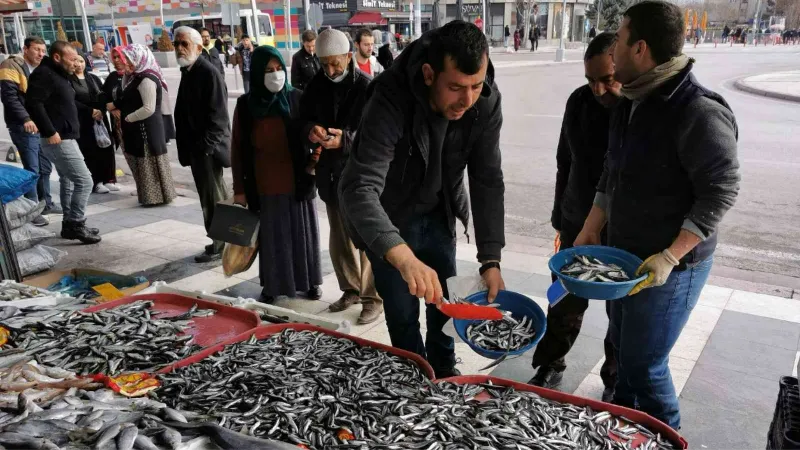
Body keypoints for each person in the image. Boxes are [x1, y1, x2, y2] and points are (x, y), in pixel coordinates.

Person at [574, 1, 740, 429]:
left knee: (646, 366)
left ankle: (670, 434)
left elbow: (721, 191)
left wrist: (671, 255)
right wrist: (591, 226)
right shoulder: (630, 99)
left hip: (673, 267)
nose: (613, 54)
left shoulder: (698, 111)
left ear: (641, 49)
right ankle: (624, 430)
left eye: (621, 42)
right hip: (627, 259)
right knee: (625, 354)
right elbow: (612, 172)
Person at [339, 21, 506, 378]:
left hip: (439, 213)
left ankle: (443, 373)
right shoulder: (389, 95)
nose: (468, 99)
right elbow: (359, 187)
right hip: (391, 217)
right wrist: (401, 256)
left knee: (444, 306)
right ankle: (412, 377)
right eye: (457, 88)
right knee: (402, 312)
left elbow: (487, 178)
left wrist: (491, 258)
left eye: (476, 86)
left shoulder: (485, 100)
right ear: (429, 74)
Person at [528, 33, 621, 401]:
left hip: (621, 228)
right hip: (574, 219)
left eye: (607, 79)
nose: (598, 89)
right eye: (591, 80)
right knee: (563, 298)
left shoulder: (636, 110)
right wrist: (558, 215)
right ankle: (551, 364)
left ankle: (615, 377)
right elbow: (564, 161)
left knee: (622, 310)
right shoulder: (578, 103)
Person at [300, 29, 383, 325]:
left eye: (335, 63)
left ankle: (374, 297)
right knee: (339, 237)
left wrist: (345, 140)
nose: (331, 70)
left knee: (367, 238)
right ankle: (351, 289)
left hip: (360, 175)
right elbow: (303, 118)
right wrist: (311, 130)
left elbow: (378, 134)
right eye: (325, 65)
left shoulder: (366, 87)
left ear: (349, 56)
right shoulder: (316, 86)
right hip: (330, 174)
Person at [230, 46, 323, 303]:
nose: (275, 74)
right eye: (268, 70)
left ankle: (310, 282)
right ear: (258, 73)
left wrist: (315, 159)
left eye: (279, 68)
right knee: (273, 240)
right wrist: (239, 190)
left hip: (298, 180)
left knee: (302, 236)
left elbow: (315, 136)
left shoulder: (297, 99)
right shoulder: (246, 105)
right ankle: (273, 285)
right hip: (264, 184)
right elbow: (237, 150)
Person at [26, 41, 101, 244]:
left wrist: (88, 110)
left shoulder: (59, 75)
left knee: (68, 181)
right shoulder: (44, 74)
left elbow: (66, 101)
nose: (75, 63)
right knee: (85, 181)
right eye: (71, 59)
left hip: (67, 136)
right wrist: (50, 131)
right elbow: (33, 103)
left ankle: (70, 224)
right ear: (57, 57)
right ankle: (76, 223)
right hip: (57, 138)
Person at [173, 27, 232, 263]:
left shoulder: (207, 72)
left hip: (207, 150)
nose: (179, 48)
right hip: (198, 150)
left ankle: (222, 245)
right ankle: (220, 241)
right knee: (210, 198)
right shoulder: (189, 71)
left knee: (214, 199)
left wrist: (204, 149)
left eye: (184, 44)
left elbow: (219, 119)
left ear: (198, 47)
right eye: (177, 43)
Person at [107, 44, 176, 206]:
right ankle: (149, 197)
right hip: (138, 130)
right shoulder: (135, 77)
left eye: (130, 61)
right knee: (143, 164)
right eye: (127, 61)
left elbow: (148, 108)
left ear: (140, 59)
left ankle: (156, 197)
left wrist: (129, 118)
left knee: (149, 163)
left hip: (147, 130)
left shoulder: (147, 79)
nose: (127, 64)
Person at [0, 36, 59, 222]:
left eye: (43, 50)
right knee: (32, 167)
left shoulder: (43, 67)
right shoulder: (10, 65)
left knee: (45, 165)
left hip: (41, 123)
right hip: (23, 124)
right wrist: (25, 118)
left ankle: (46, 202)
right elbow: (9, 97)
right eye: (36, 50)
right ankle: (31, 209)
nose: (41, 54)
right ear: (25, 49)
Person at [70, 55, 117, 195]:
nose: (79, 64)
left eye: (81, 61)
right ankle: (96, 182)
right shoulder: (68, 81)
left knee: (106, 147)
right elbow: (72, 101)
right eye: (75, 61)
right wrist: (90, 110)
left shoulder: (93, 78)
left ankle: (109, 179)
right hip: (83, 120)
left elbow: (103, 96)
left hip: (100, 119)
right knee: (90, 151)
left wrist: (101, 110)